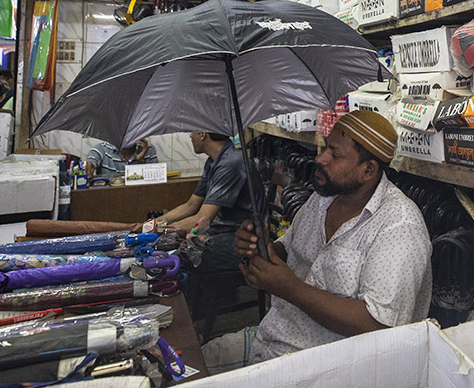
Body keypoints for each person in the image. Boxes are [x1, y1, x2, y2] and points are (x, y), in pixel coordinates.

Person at [202, 111, 431, 372]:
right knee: (188, 366)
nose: (319, 158)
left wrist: (291, 288)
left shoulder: (399, 226)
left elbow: (378, 324)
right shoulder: (323, 198)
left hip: (325, 368)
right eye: (324, 147)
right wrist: (260, 247)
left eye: (335, 154)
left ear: (368, 170)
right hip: (272, 336)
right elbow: (289, 250)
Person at [155, 132, 255, 270]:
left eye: (192, 131)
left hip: (239, 239)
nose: (190, 136)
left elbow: (203, 220)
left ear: (202, 134)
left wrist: (161, 231)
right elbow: (190, 206)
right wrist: (154, 224)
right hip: (219, 232)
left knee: (175, 257)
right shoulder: (213, 162)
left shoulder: (231, 164)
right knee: (166, 247)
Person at [85, 139, 157, 183]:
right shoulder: (102, 149)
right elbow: (92, 159)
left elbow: (156, 183)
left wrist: (141, 162)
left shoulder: (148, 149)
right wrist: (89, 168)